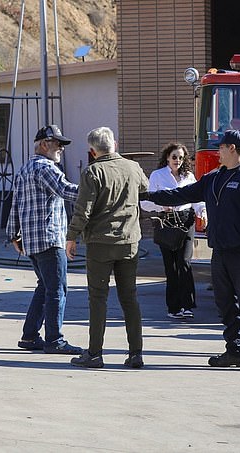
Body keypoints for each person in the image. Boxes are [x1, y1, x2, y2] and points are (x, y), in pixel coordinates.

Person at [143, 130, 240, 373]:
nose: (217, 151)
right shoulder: (214, 177)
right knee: (226, 304)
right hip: (222, 252)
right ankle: (236, 350)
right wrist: (148, 195)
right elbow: (181, 194)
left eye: (221, 147)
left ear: (233, 149)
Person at [66, 127, 149, 369]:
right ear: (115, 143)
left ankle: (95, 354)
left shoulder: (92, 172)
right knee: (129, 298)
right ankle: (136, 354)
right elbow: (144, 188)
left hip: (100, 243)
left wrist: (71, 237)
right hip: (129, 241)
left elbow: (84, 210)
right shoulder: (132, 167)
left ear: (92, 151)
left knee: (98, 298)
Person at [6, 124, 83, 355]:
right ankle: (54, 340)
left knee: (46, 287)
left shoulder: (25, 169)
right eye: (57, 143)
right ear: (43, 144)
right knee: (57, 289)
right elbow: (67, 191)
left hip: (32, 241)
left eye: (61, 144)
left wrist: (13, 234)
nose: (60, 148)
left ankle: (30, 336)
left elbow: (15, 205)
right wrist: (97, 188)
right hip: (50, 239)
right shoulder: (46, 168)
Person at [140, 143, 206, 319]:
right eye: (174, 157)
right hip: (166, 222)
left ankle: (188, 305)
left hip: (186, 221)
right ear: (167, 158)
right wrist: (162, 205)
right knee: (171, 266)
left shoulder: (189, 176)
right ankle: (174, 307)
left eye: (181, 157)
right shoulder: (157, 175)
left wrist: (202, 212)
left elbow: (197, 199)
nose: (177, 160)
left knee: (185, 262)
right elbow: (145, 202)